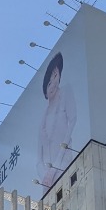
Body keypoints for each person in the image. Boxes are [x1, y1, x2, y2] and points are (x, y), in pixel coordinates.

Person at [37, 51, 77, 189]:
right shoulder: (43, 117)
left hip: (64, 167)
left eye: (55, 75)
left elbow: (72, 121)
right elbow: (38, 158)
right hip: (47, 180)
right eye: (48, 84)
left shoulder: (66, 92)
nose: (53, 83)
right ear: (45, 91)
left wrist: (54, 169)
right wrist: (45, 174)